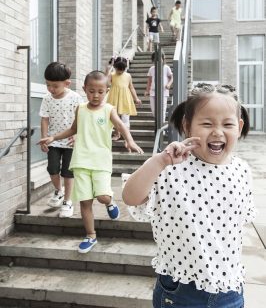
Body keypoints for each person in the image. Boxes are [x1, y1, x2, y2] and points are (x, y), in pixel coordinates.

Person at [123, 83, 255, 308]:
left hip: (230, 289)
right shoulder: (169, 168)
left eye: (228, 124)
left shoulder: (242, 170)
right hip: (181, 291)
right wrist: (159, 161)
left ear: (239, 126)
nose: (217, 131)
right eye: (206, 123)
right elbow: (131, 197)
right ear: (187, 126)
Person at [38, 70, 143, 253]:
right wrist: (52, 138)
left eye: (100, 92)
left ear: (107, 91)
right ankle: (90, 235)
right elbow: (73, 129)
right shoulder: (80, 108)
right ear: (84, 89)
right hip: (81, 161)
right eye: (91, 91)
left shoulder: (108, 109)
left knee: (102, 197)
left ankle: (110, 202)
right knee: (85, 202)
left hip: (101, 161)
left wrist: (130, 140)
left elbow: (120, 125)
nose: (96, 95)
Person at [39, 62, 83, 218]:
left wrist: (77, 135)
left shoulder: (75, 98)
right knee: (52, 168)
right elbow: (44, 118)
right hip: (53, 140)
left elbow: (81, 118)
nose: (51, 89)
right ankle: (58, 191)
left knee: (68, 173)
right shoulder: (47, 99)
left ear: (67, 83)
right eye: (48, 85)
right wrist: (44, 138)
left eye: (55, 86)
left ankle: (67, 201)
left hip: (70, 142)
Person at [107, 57, 141, 141]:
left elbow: (131, 87)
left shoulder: (128, 76)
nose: (120, 71)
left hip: (125, 98)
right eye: (119, 69)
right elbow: (107, 83)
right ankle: (117, 134)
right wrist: (109, 70)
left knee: (125, 118)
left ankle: (127, 136)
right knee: (115, 117)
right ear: (115, 66)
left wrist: (136, 98)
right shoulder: (112, 75)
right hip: (114, 98)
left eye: (122, 69)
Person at [144, 51, 173, 123]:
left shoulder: (166, 68)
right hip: (153, 92)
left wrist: (169, 84)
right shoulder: (151, 69)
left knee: (162, 109)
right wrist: (147, 91)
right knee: (154, 110)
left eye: (160, 59)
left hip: (163, 92)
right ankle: (158, 124)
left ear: (163, 59)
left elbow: (171, 77)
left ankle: (161, 127)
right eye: (156, 59)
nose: (158, 61)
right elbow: (149, 81)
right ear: (153, 60)